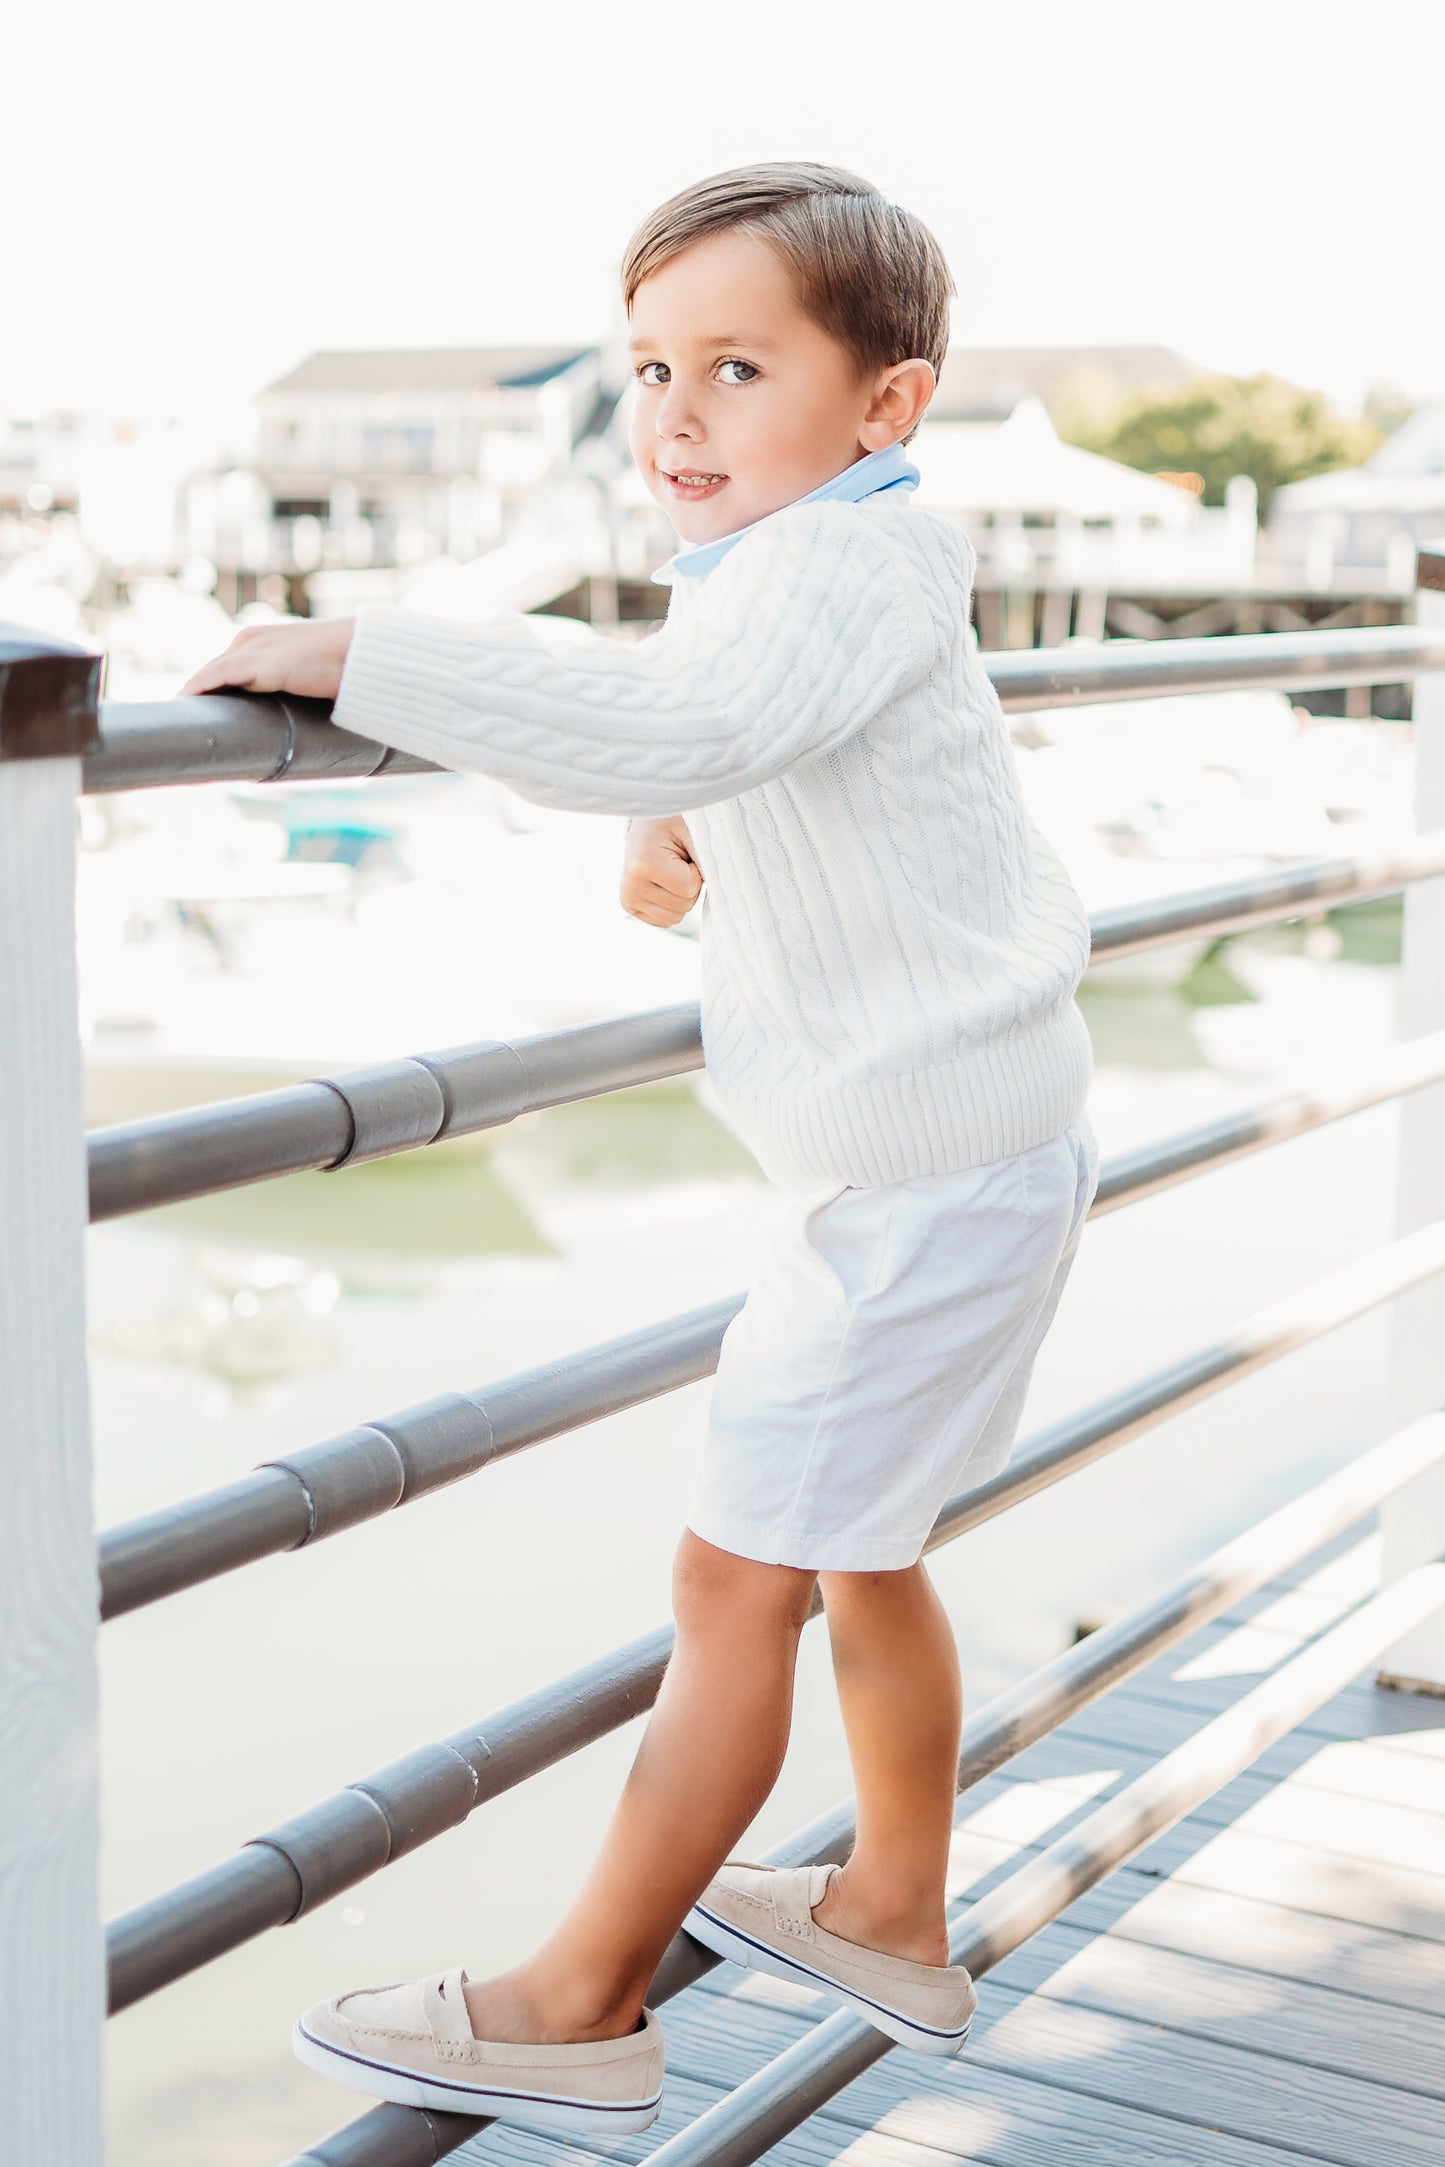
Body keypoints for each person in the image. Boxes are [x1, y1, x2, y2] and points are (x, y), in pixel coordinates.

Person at [182, 160, 1098, 2136]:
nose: (675, 412)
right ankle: (891, 1904)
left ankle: (585, 1996)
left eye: (737, 365)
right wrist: (675, 834)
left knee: (730, 1584)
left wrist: (367, 655)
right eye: (650, 366)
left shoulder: (839, 566)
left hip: (923, 1184)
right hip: (944, 1156)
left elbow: (695, 727)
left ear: (887, 405)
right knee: (855, 1562)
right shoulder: (800, 568)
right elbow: (747, 755)